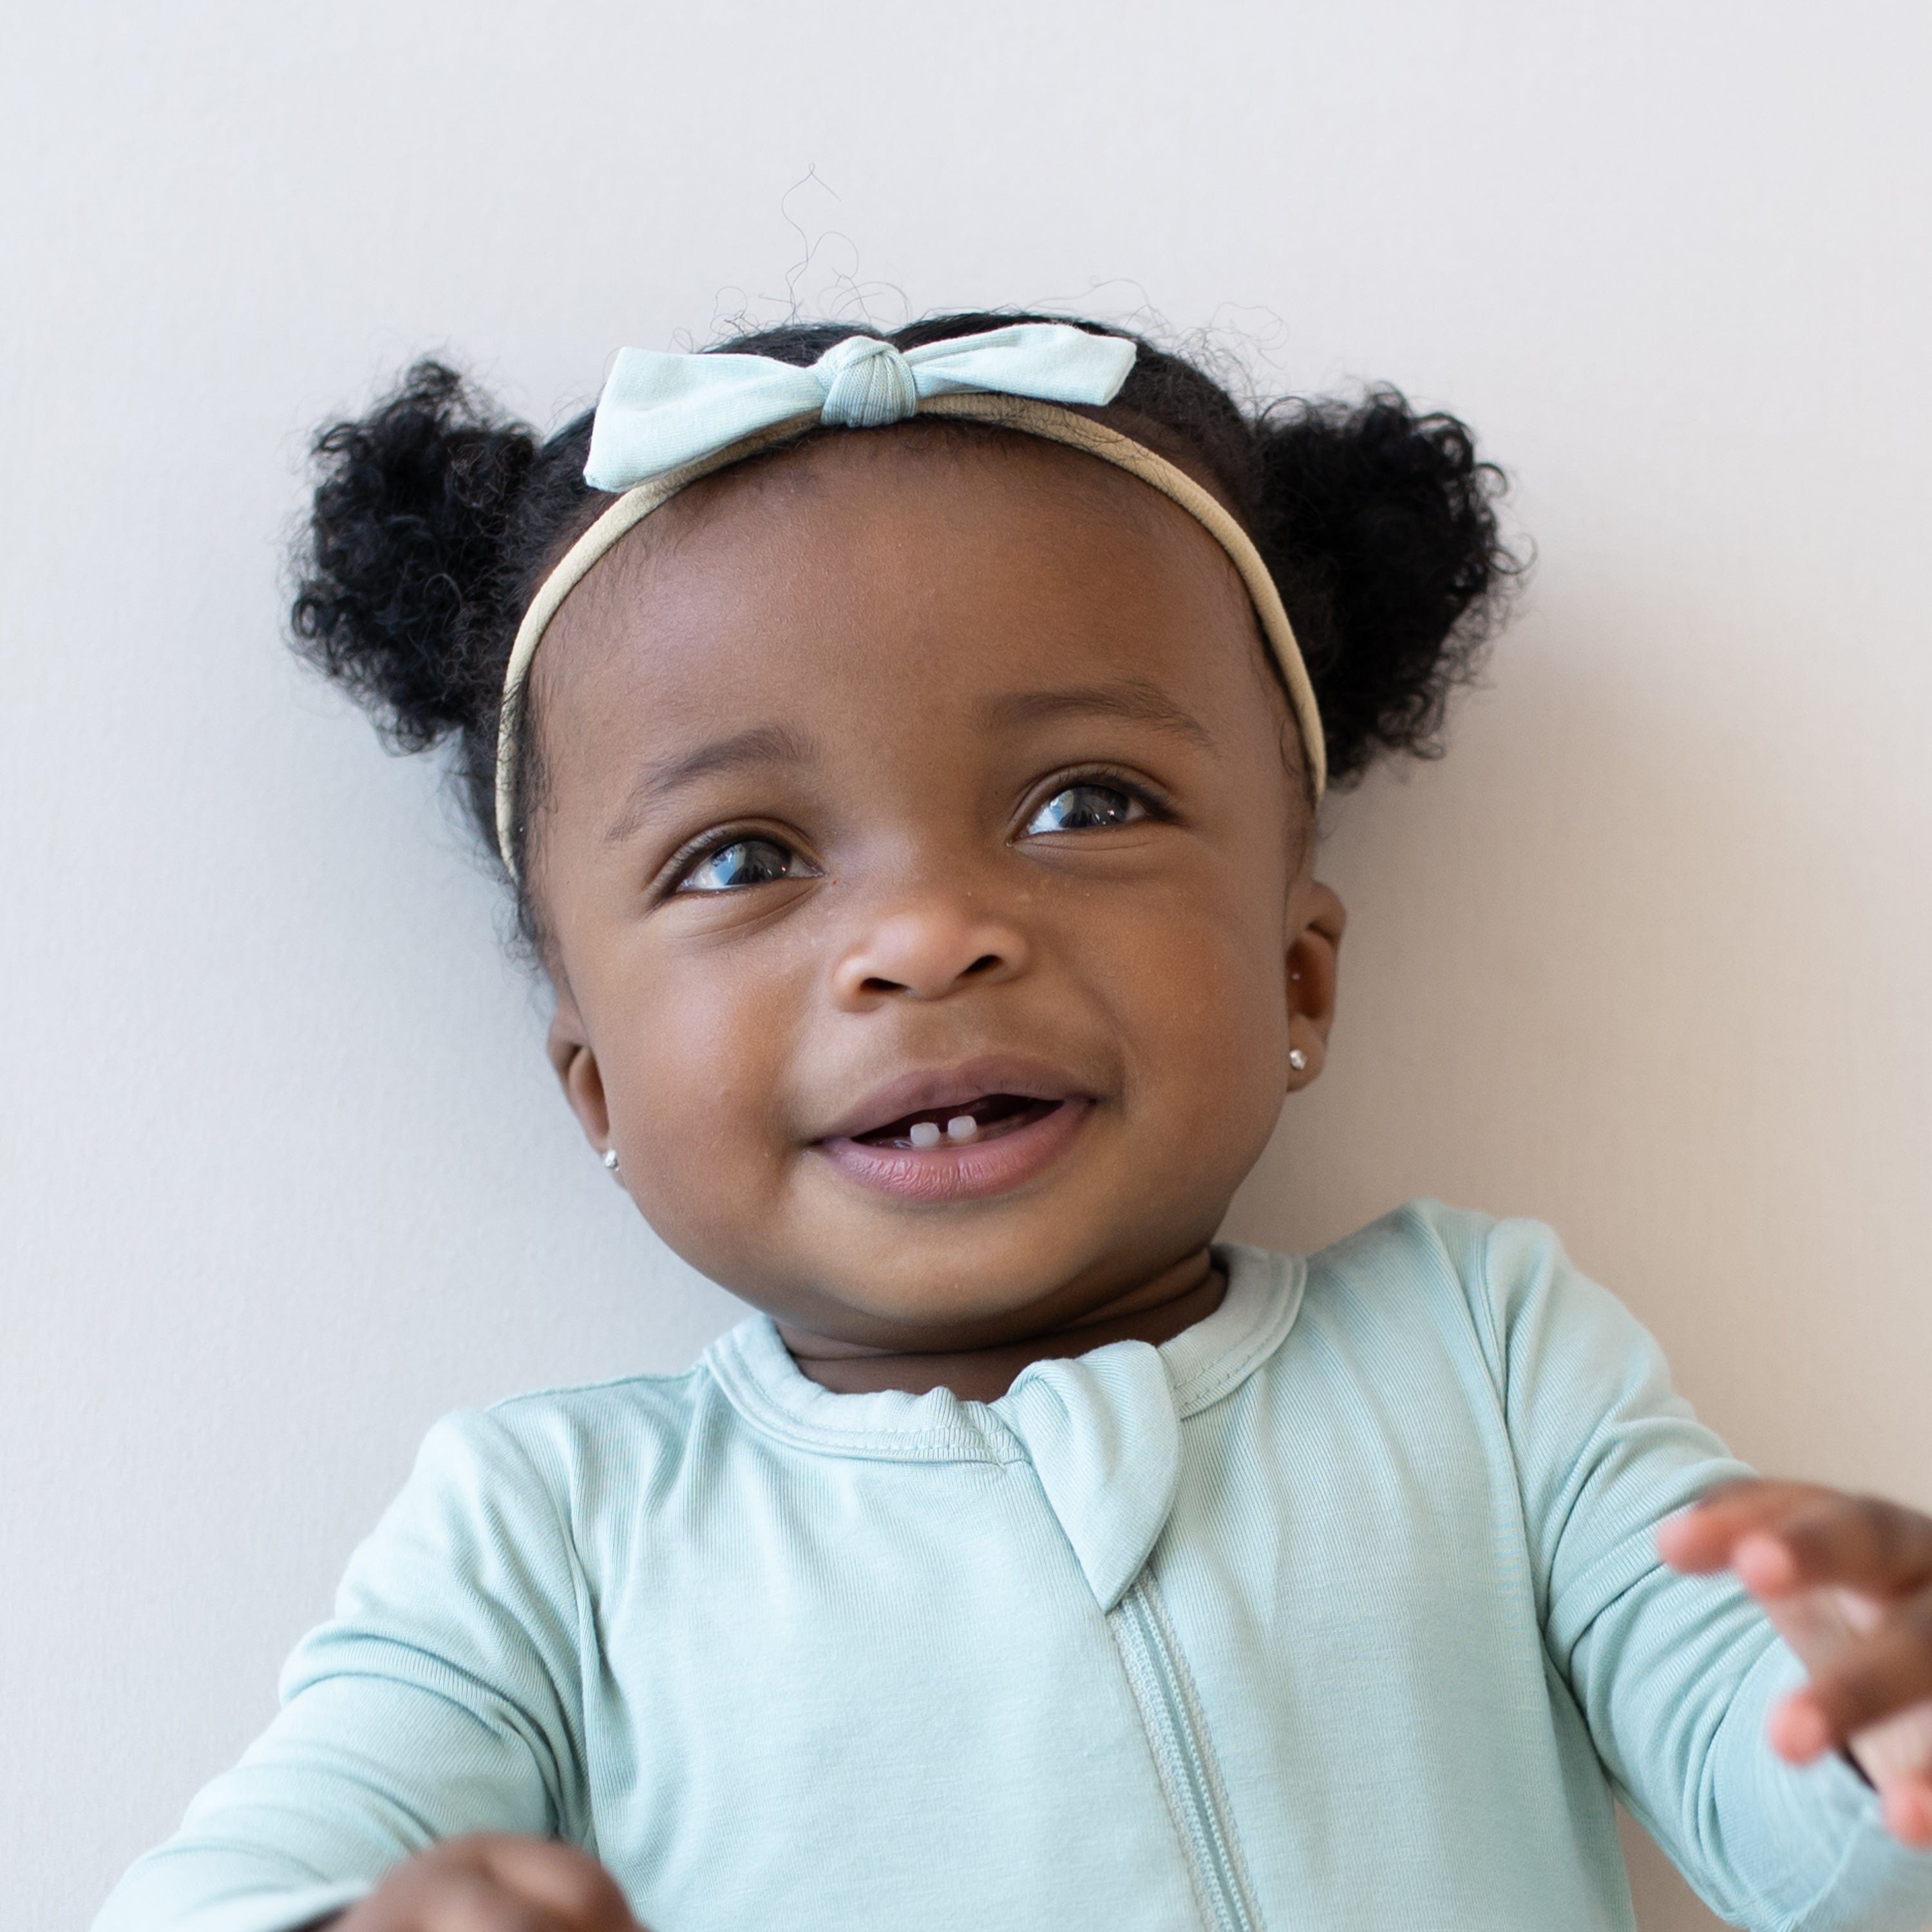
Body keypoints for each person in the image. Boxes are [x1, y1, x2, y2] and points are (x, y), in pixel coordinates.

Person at [96, 315, 1932, 1932]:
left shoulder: (1486, 1360)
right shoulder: (553, 1536)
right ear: (596, 1087)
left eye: (1084, 802)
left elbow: (1808, 1835)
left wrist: (1889, 1732)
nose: (924, 935)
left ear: (1298, 977)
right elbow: (225, 1887)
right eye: (742, 856)